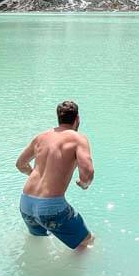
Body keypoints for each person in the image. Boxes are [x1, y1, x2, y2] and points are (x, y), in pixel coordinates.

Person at [15, 100, 95, 250]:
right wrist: (84, 184)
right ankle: (74, 273)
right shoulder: (78, 138)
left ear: (58, 118)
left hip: (26, 203)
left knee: (38, 244)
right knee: (86, 242)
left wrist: (34, 174)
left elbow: (20, 164)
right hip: (50, 207)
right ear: (77, 119)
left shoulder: (41, 137)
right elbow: (88, 173)